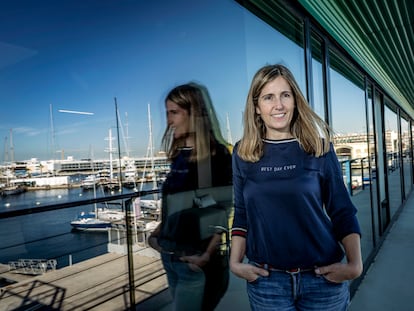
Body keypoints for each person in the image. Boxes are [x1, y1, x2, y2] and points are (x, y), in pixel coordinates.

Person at [229, 64, 363, 311]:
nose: (278, 105)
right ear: (257, 107)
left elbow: (342, 209)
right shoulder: (243, 153)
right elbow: (241, 212)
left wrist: (355, 264)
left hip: (322, 279)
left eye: (285, 95)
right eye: (269, 97)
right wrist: (235, 263)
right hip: (267, 283)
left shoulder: (319, 148)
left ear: (295, 101)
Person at [148, 83, 233, 311]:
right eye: (167, 113)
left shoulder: (217, 155)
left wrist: (206, 255)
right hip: (172, 259)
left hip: (196, 263)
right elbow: (178, 206)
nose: (168, 120)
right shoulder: (179, 157)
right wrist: (156, 235)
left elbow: (222, 208)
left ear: (194, 113)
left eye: (174, 112)